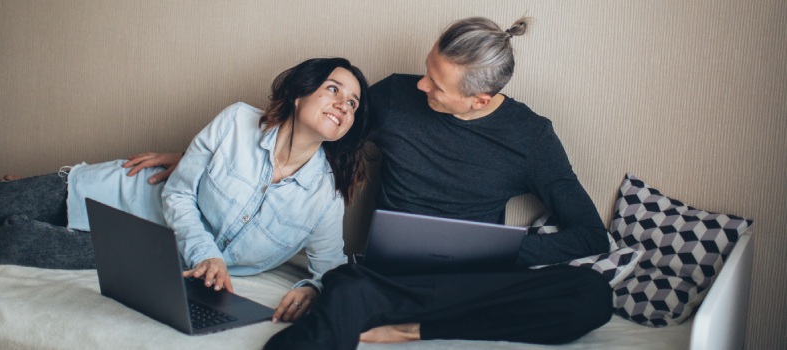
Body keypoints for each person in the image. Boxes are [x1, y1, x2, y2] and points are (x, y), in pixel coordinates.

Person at [113, 17, 613, 349]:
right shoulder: (395, 98)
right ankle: (391, 318)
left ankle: (416, 330)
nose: (421, 86)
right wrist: (201, 155)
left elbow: (589, 234)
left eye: (437, 86)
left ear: (480, 100)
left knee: (592, 295)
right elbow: (317, 133)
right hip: (388, 276)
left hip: (476, 282)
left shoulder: (531, 137)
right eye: (426, 70)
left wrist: (501, 251)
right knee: (341, 291)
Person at [0, 57, 374, 323]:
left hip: (146, 252)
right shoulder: (237, 122)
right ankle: (24, 194)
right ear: (300, 92)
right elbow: (179, 193)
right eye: (333, 89)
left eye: (353, 103)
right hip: (126, 194)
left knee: (10, 245)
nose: (344, 105)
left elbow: (331, 269)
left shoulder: (325, 197)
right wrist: (209, 255)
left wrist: (313, 288)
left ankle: (16, 216)